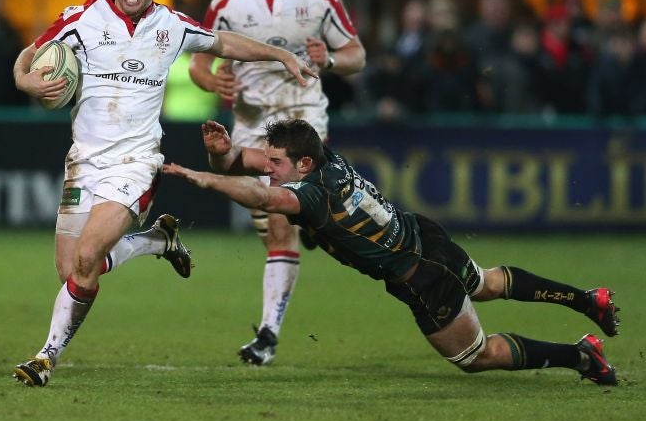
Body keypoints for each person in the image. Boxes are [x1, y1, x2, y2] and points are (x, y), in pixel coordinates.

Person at [10, 0, 318, 387]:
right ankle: (158, 242)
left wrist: (281, 54)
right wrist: (25, 81)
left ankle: (46, 356)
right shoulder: (81, 17)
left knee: (88, 257)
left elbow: (224, 41)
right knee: (73, 271)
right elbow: (30, 53)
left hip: (136, 162)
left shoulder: (171, 25)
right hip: (83, 162)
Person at [163, 118, 620, 386]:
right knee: (485, 282)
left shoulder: (313, 195)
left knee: (474, 356)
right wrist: (220, 154)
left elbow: (264, 199)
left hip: (417, 275)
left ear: (302, 163)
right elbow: (244, 164)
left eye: (275, 163)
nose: (269, 169)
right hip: (424, 235)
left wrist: (205, 179)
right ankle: (587, 299)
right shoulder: (323, 157)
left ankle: (581, 356)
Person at [188, 0, 365, 366]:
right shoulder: (227, 2)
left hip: (303, 118)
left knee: (280, 221)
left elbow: (356, 54)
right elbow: (197, 65)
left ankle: (267, 334)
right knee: (277, 227)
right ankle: (313, 223)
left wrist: (333, 61)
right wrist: (214, 85)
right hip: (250, 125)